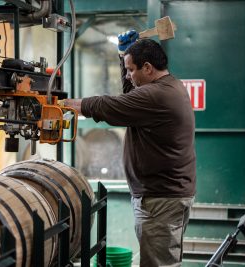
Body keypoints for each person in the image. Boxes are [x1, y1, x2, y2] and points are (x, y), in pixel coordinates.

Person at [63, 32, 196, 266]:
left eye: (130, 70)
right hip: (165, 195)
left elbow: (112, 106)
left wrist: (64, 105)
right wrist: (123, 54)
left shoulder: (157, 95)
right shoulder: (168, 86)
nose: (127, 75)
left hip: (160, 199)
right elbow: (133, 96)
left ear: (147, 68)